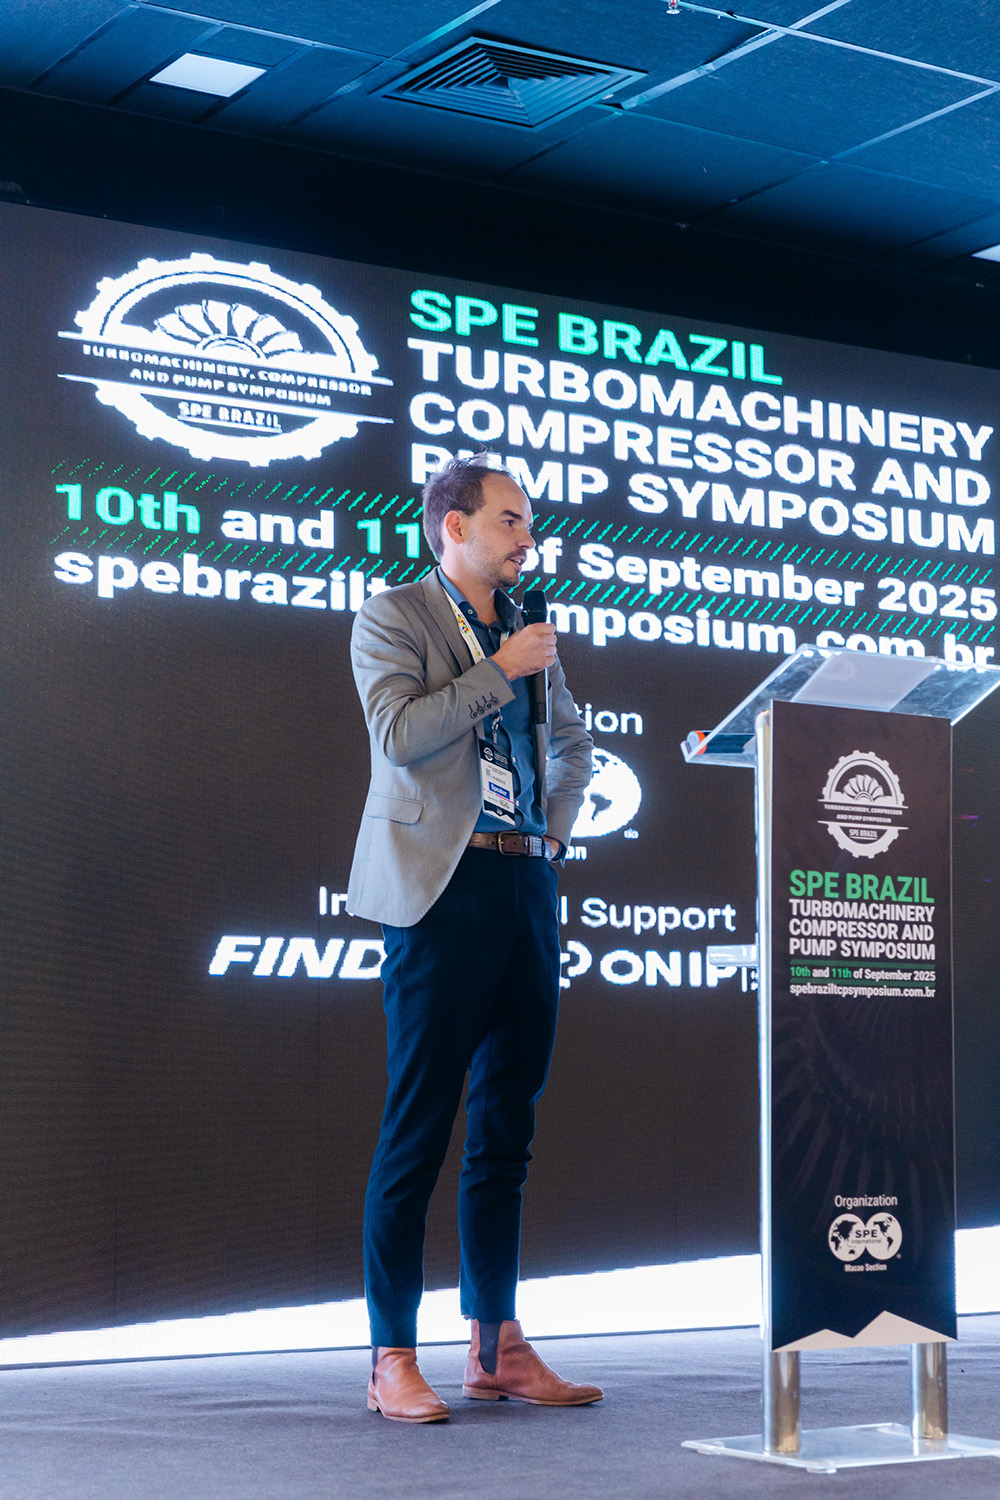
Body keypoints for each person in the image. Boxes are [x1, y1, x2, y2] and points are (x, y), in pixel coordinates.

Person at [347, 454, 600, 1423]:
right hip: (439, 890)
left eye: (526, 522)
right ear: (453, 526)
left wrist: (553, 835)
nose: (527, 538)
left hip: (523, 882)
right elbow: (398, 736)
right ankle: (391, 1356)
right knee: (418, 1127)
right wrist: (499, 672)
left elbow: (572, 744)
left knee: (506, 1128)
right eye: (510, 520)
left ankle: (496, 1347)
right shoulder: (394, 616)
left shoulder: (526, 632)